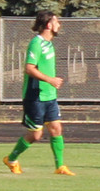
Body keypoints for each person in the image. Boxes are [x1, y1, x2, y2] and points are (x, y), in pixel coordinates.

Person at [5, 11, 73, 175]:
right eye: (57, 21)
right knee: (36, 135)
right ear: (49, 25)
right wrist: (50, 80)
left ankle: (60, 166)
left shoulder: (50, 44)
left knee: (56, 128)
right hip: (35, 95)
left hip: (50, 95)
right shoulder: (37, 43)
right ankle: (11, 159)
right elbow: (29, 68)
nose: (59, 25)